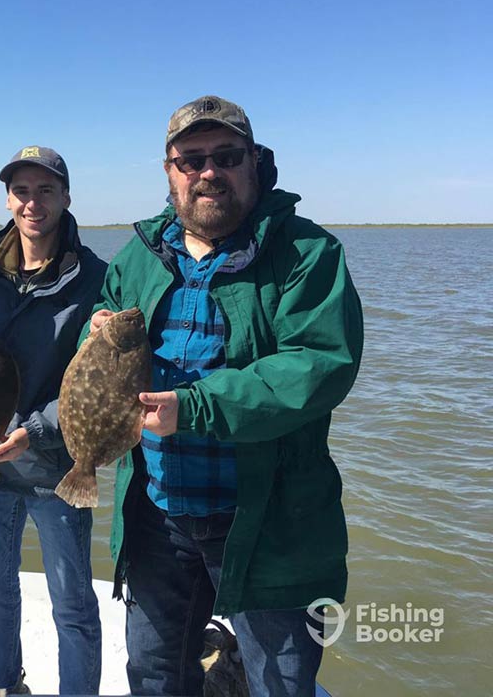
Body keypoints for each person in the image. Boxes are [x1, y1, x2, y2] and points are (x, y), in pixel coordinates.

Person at [86, 96, 364, 697]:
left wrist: (196, 406)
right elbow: (97, 336)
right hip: (156, 516)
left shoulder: (309, 254)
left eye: (226, 156)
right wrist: (97, 332)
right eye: (190, 160)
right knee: (155, 675)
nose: (207, 171)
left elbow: (318, 366)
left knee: (280, 684)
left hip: (270, 522)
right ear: (170, 172)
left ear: (255, 164)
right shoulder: (137, 257)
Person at [0, 146, 107, 695]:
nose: (33, 202)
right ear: (7, 199)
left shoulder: (96, 279)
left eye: (46, 190)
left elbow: (98, 380)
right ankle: (1, 681)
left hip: (55, 466)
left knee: (71, 602)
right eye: (22, 190)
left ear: (66, 198)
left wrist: (39, 431)